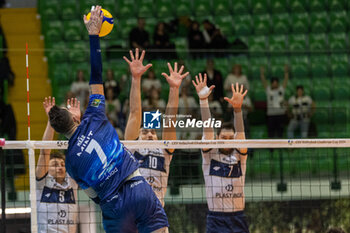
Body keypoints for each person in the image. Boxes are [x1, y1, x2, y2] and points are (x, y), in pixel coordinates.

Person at [47, 6, 168, 233]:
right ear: (73, 117)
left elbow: (93, 196)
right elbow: (96, 75)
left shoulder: (71, 161)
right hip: (137, 187)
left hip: (113, 204)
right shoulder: (94, 114)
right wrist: (93, 36)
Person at [123, 53, 188, 206]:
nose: (150, 135)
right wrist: (136, 79)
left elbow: (170, 122)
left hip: (156, 209)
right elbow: (134, 113)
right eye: (144, 132)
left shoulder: (165, 151)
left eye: (153, 132)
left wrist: (174, 89)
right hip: (132, 208)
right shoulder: (131, 147)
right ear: (137, 136)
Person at [192, 74, 249, 233]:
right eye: (224, 138)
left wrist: (237, 110)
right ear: (218, 138)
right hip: (216, 218)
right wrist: (203, 101)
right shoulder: (210, 154)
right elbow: (208, 131)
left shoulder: (240, 155)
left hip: (238, 217)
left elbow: (241, 137)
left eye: (231, 138)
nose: (227, 141)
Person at [36, 96, 79, 233]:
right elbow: (44, 151)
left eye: (62, 164)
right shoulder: (42, 182)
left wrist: (75, 121)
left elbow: (80, 146)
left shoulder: (71, 181)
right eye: (55, 165)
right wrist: (51, 121)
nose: (60, 167)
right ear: (47, 168)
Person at [260, 65, 289, 138]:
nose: (275, 84)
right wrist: (262, 74)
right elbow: (264, 82)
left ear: (278, 83)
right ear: (271, 83)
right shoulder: (268, 90)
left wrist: (286, 72)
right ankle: (271, 148)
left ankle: (281, 148)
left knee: (280, 132)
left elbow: (285, 80)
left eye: (276, 83)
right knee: (271, 132)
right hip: (271, 115)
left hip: (280, 114)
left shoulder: (281, 90)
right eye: (274, 83)